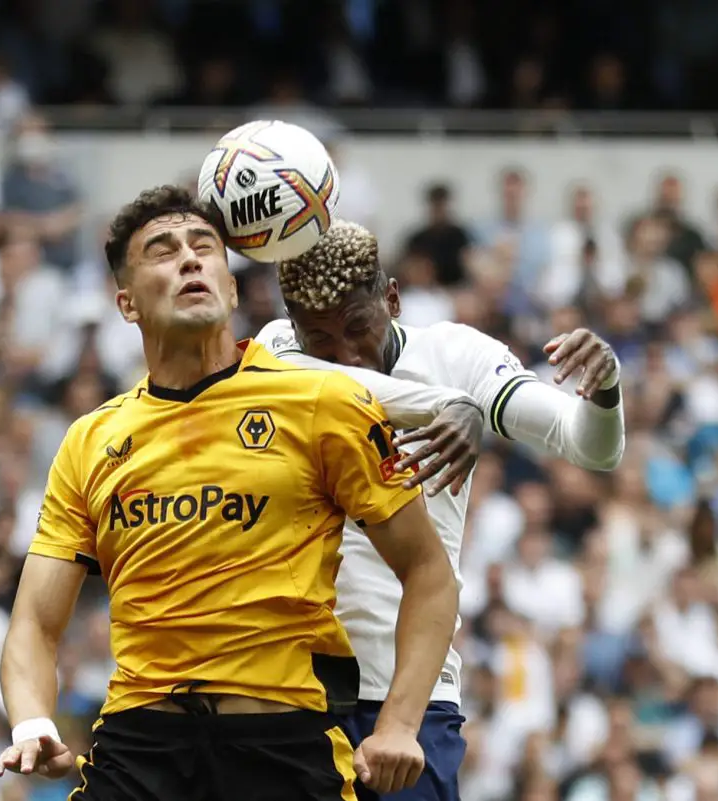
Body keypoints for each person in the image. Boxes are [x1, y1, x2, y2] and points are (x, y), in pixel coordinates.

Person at [0, 186, 464, 800]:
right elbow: (34, 619)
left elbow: (431, 572)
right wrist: (33, 720)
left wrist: (400, 724)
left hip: (284, 748)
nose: (189, 259)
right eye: (162, 251)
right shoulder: (91, 440)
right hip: (140, 750)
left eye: (204, 247)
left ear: (234, 287)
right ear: (126, 302)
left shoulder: (323, 401)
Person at [258, 219, 626, 801]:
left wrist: (605, 386)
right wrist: (445, 408)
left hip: (416, 697)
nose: (347, 353)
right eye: (322, 341)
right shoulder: (277, 350)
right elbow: (329, 382)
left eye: (359, 327)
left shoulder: (458, 355)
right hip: (294, 695)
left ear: (394, 299)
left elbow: (590, 445)